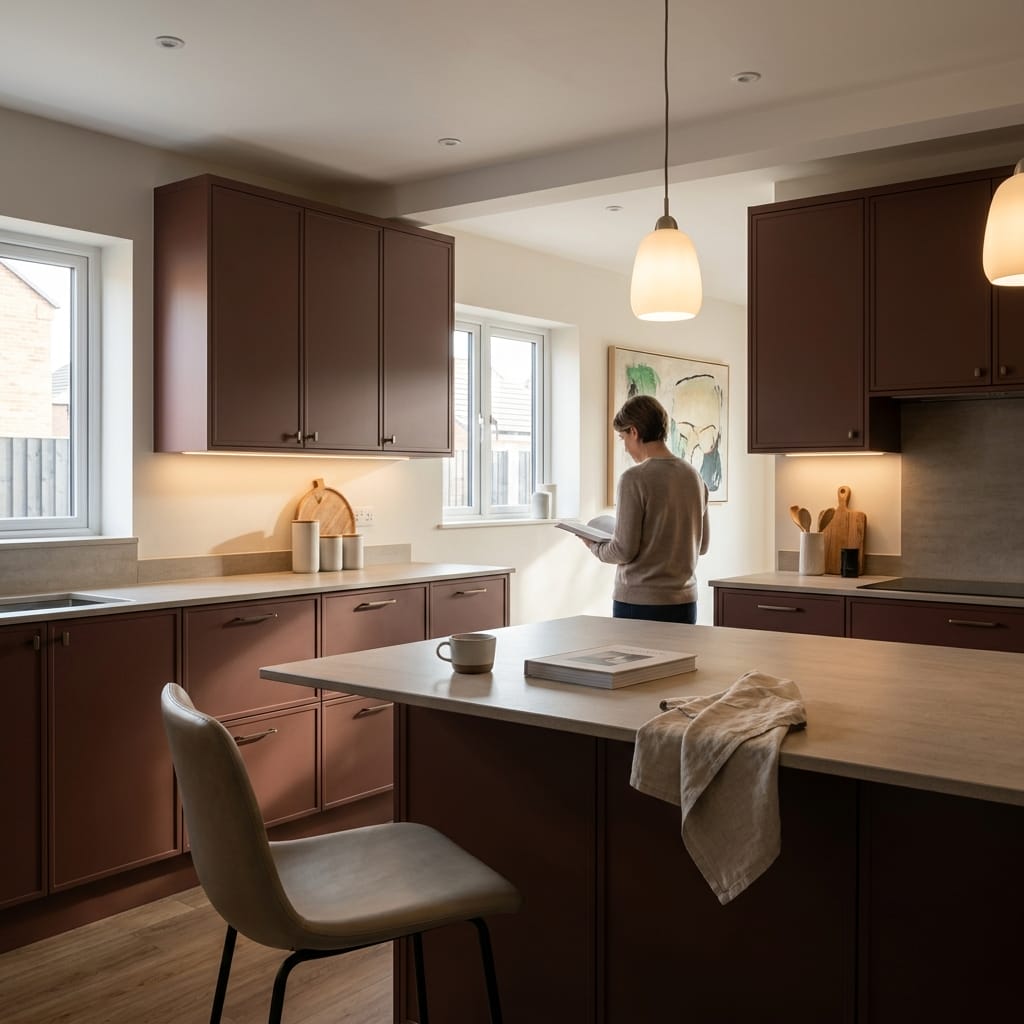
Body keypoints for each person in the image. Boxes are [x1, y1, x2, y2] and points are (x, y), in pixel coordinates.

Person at [581, 395, 710, 624]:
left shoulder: (634, 478)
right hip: (684, 603)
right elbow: (702, 546)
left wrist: (594, 546)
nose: (625, 447)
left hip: (639, 603)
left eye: (623, 438)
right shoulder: (694, 476)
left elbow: (623, 550)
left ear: (634, 431)